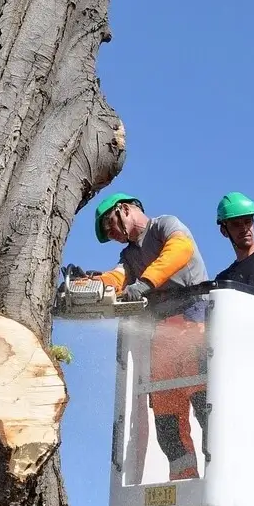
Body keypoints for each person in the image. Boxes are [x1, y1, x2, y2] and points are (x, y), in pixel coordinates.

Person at [77, 191, 209, 481]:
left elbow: (179, 251)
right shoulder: (130, 255)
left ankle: (221, 475)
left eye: (110, 224)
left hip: (192, 315)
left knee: (204, 400)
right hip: (161, 330)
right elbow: (118, 278)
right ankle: (184, 481)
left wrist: (145, 283)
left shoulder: (165, 226)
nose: (111, 233)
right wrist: (88, 282)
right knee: (165, 411)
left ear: (124, 209)